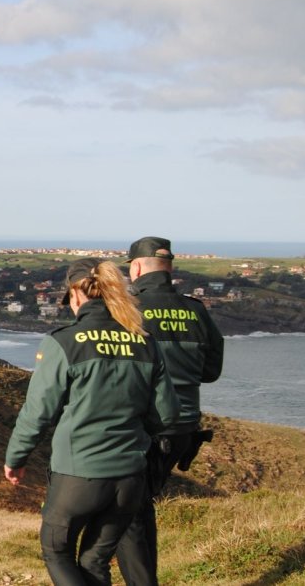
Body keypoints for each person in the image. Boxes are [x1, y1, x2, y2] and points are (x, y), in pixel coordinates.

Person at [5, 258, 179, 586]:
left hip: (78, 475)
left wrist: (16, 459)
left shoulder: (63, 342)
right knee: (92, 560)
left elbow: (38, 412)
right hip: (129, 479)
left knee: (56, 551)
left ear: (75, 296)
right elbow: (166, 414)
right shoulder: (144, 341)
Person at [115, 237, 225, 585]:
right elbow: (210, 372)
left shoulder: (128, 309)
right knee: (141, 507)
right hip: (182, 429)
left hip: (142, 427)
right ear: (170, 268)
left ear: (135, 268)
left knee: (128, 513)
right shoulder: (196, 310)